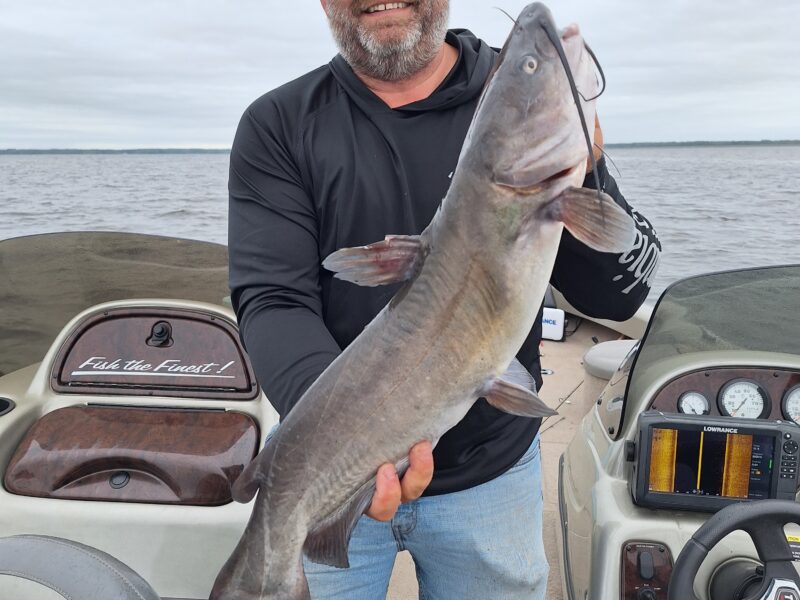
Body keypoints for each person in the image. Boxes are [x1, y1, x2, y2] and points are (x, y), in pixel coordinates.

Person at [228, 1, 661, 598]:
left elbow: (621, 291)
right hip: (322, 464)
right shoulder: (278, 123)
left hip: (491, 474)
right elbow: (273, 299)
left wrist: (587, 173)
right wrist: (351, 440)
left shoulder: (500, 96)